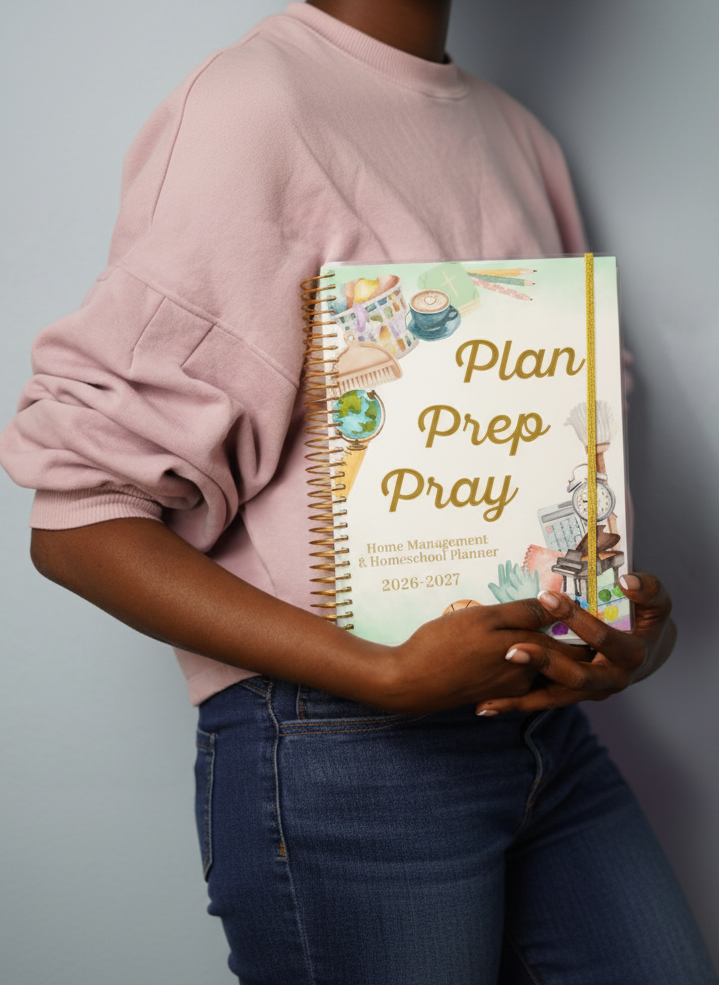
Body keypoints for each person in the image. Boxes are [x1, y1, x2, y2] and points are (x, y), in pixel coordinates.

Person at [0, 1, 716, 982]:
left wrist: (618, 628)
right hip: (341, 749)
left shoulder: (516, 134)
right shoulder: (254, 106)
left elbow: (546, 459)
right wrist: (379, 675)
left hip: (545, 732)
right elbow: (78, 521)